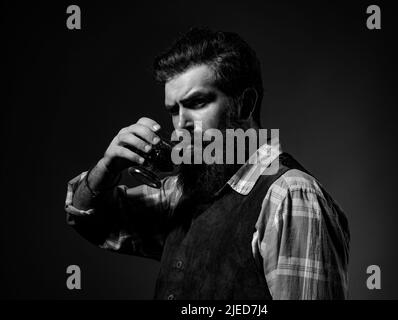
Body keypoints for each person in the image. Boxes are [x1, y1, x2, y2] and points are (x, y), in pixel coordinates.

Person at [64, 27, 350, 300]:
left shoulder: (290, 195)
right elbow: (92, 221)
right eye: (173, 111)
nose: (180, 127)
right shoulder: (184, 192)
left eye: (197, 103)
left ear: (244, 104)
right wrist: (107, 168)